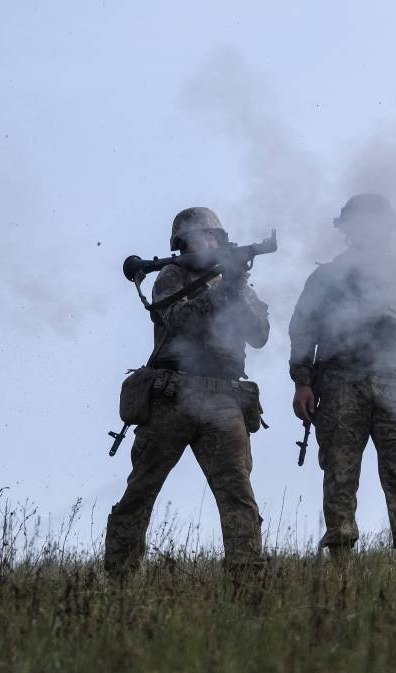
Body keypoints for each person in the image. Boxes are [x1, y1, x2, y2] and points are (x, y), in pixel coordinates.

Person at [104, 207, 269, 578]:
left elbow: (259, 334)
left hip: (223, 397)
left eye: (211, 237)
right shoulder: (172, 275)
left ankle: (247, 582)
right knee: (140, 493)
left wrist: (236, 285)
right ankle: (119, 580)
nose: (205, 243)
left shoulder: (237, 283)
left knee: (238, 496)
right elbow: (180, 321)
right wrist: (223, 288)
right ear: (183, 244)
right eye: (196, 238)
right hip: (173, 394)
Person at [288, 194, 396, 565]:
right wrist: (302, 382)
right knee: (339, 477)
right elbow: (302, 332)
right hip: (339, 382)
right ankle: (340, 569)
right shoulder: (325, 278)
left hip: (393, 380)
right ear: (348, 229)